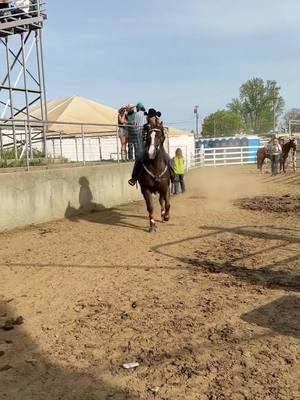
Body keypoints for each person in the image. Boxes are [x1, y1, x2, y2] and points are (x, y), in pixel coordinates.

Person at [128, 108, 175, 186]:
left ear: (155, 117)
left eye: (152, 117)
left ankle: (173, 176)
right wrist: (147, 141)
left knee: (168, 158)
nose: (150, 119)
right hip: (147, 147)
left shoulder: (159, 127)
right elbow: (142, 137)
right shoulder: (146, 127)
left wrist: (159, 142)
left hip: (160, 148)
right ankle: (134, 178)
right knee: (139, 158)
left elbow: (163, 137)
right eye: (149, 117)